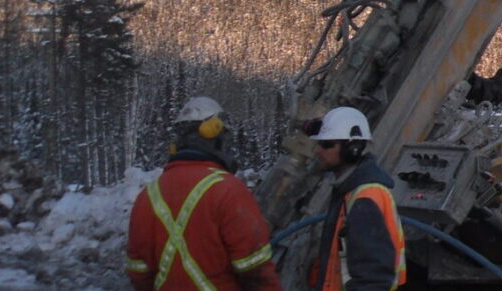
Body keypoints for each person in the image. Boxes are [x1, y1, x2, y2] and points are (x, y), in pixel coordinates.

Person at [126, 97, 279, 290]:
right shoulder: (229, 190)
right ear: (214, 134)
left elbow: (138, 272)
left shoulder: (148, 195)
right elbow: (255, 270)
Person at [305, 106, 406, 291]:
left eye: (327, 144)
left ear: (352, 148)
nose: (318, 151)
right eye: (319, 144)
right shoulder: (348, 190)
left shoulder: (365, 197)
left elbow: (373, 278)